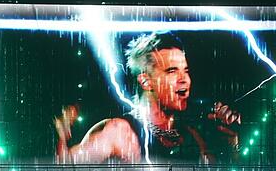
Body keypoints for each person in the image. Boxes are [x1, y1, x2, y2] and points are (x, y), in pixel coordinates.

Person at [54, 32, 242, 164]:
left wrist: (231, 143)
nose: (184, 79)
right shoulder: (120, 131)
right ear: (145, 81)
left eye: (186, 70)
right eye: (172, 71)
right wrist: (61, 135)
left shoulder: (193, 134)